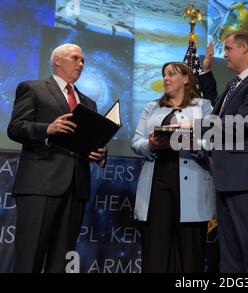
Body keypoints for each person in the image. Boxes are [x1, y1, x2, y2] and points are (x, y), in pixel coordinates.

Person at [7, 43, 107, 273]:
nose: (81, 64)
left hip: (76, 188)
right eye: (75, 58)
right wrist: (47, 130)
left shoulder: (88, 103)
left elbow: (91, 140)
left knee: (62, 261)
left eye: (83, 60)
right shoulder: (33, 89)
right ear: (57, 61)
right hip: (40, 185)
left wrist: (101, 153)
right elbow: (15, 128)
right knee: (29, 256)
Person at [197, 31, 248, 272]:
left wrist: (196, 126)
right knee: (230, 256)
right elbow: (219, 111)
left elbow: (243, 125)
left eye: (228, 49)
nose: (225, 54)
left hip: (247, 180)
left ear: (244, 48)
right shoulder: (235, 82)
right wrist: (206, 73)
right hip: (226, 178)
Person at [131, 62, 215, 273]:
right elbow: (136, 142)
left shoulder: (203, 106)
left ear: (186, 79)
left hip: (192, 185)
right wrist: (151, 145)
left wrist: (187, 141)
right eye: (164, 75)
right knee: (155, 249)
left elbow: (211, 142)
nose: (165, 78)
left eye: (171, 74)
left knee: (189, 252)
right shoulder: (152, 107)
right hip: (157, 183)